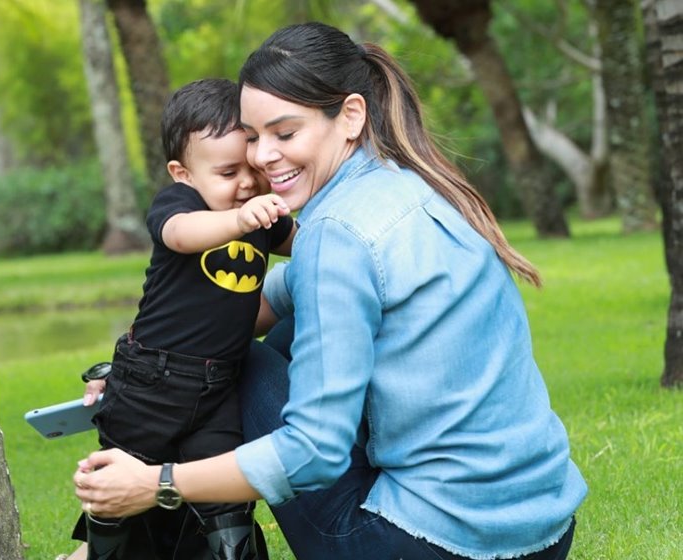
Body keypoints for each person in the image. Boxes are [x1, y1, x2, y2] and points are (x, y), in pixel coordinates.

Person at [73, 22, 587, 560]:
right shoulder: (412, 184)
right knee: (238, 348)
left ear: (351, 116)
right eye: (253, 136)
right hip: (543, 532)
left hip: (434, 545)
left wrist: (159, 482)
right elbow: (275, 293)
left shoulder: (337, 233)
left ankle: (126, 544)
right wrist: (138, 367)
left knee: (234, 368)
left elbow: (313, 453)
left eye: (285, 133)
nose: (263, 157)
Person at [73, 78, 295, 560]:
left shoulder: (259, 213)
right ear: (184, 173)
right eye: (228, 171)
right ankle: (97, 551)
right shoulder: (182, 206)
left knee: (227, 505)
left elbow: (311, 240)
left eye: (251, 167)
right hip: (152, 380)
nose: (246, 184)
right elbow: (179, 235)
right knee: (121, 492)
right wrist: (241, 220)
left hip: (218, 388)